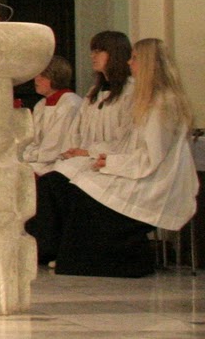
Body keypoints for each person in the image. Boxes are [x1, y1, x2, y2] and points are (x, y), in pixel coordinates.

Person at [28, 38, 199, 277]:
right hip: (133, 167)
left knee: (82, 191)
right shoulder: (146, 99)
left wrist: (109, 162)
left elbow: (151, 158)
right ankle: (62, 253)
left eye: (136, 58)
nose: (130, 62)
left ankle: (85, 258)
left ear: (149, 64)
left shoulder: (162, 104)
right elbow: (125, 143)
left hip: (154, 182)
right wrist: (101, 157)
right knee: (71, 182)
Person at [55, 30, 135, 174]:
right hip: (83, 159)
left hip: (108, 162)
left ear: (115, 54)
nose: (93, 56)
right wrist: (72, 151)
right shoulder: (93, 93)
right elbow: (76, 131)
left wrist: (89, 152)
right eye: (93, 51)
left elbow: (126, 140)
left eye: (99, 52)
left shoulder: (130, 92)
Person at [20, 56, 83, 176]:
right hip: (39, 160)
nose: (36, 80)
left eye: (42, 76)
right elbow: (34, 139)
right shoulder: (41, 105)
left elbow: (54, 147)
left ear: (56, 77)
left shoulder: (70, 104)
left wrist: (26, 156)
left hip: (59, 162)